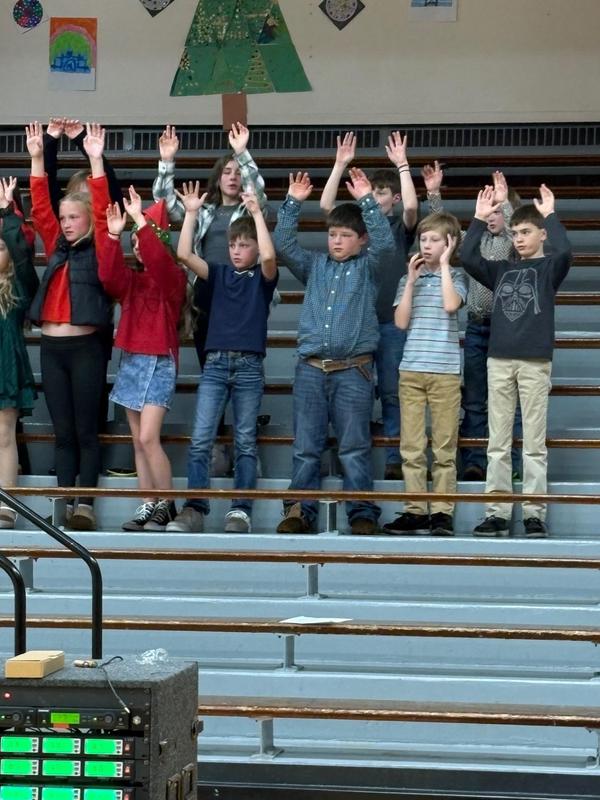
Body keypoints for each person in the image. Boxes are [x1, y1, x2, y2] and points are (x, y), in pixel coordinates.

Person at [274, 169, 396, 536]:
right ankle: (299, 508)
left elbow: (387, 244)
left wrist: (367, 203)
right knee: (306, 445)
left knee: (354, 446)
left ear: (361, 241)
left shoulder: (369, 268)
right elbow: (283, 242)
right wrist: (293, 202)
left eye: (345, 236)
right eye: (332, 235)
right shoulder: (315, 266)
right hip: (311, 368)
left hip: (353, 370)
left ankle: (361, 510)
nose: (337, 242)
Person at [153, 123, 268, 475]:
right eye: (227, 172)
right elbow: (164, 201)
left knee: (242, 378)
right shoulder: (203, 211)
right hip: (208, 292)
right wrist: (167, 161)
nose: (233, 177)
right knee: (212, 370)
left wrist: (242, 153)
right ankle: (217, 445)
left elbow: (259, 194)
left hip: (245, 293)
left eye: (237, 172)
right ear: (217, 179)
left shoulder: (249, 209)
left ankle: (245, 447)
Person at [166, 181, 278, 534]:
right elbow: (184, 254)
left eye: (244, 245)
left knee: (245, 440)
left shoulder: (262, 278)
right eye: (232, 244)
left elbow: (272, 258)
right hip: (215, 364)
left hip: (248, 366)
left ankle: (240, 510)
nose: (236, 250)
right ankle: (195, 508)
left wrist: (257, 214)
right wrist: (193, 213)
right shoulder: (218, 273)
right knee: (201, 439)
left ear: (256, 249)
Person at [461, 184, 571, 538]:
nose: (519, 239)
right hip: (499, 361)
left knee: (534, 444)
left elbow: (566, 250)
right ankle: (497, 511)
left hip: (535, 362)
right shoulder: (502, 270)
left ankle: (534, 513)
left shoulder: (549, 267)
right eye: (515, 233)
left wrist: (550, 214)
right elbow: (468, 258)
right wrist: (478, 220)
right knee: (498, 442)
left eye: (526, 232)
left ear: (541, 234)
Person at [89, 141, 187, 533]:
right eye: (135, 244)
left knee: (149, 437)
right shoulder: (132, 282)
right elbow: (109, 276)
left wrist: (143, 225)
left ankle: (167, 503)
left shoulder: (171, 280)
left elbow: (162, 262)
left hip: (159, 360)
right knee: (136, 439)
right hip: (132, 358)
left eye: (141, 241)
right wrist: (114, 237)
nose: (138, 247)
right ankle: (148, 503)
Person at [26, 121, 112, 531]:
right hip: (52, 348)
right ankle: (63, 505)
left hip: (85, 349)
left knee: (85, 432)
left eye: (74, 217)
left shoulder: (99, 245)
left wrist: (93, 156)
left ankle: (86, 505)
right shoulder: (54, 243)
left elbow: (101, 201)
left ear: (88, 219)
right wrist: (40, 154)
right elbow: (40, 202)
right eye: (63, 218)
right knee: (62, 434)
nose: (65, 223)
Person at [319, 132, 418, 480]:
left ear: (390, 197)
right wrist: (340, 164)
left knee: (391, 392)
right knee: (353, 395)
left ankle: (394, 457)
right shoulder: (358, 228)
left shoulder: (398, 227)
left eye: (379, 193)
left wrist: (402, 165)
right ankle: (350, 458)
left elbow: (411, 209)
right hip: (358, 324)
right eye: (371, 192)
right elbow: (327, 207)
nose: (373, 198)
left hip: (390, 322)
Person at [424, 163, 522, 480]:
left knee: (511, 400)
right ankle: (476, 460)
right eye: (488, 210)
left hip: (507, 327)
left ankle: (514, 463)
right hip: (478, 327)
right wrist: (434, 193)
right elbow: (446, 233)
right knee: (476, 398)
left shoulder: (514, 243)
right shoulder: (474, 241)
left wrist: (505, 203)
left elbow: (512, 229)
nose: (493, 216)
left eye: (498, 210)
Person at [383, 213, 467, 536]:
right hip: (412, 370)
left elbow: (450, 305)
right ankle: (415, 508)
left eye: (435, 240)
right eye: (424, 239)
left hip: (444, 371)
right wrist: (411, 283)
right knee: (412, 447)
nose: (427, 245)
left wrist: (445, 264)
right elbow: (401, 322)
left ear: (449, 244)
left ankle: (443, 512)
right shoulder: (409, 280)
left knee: (444, 448)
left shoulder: (457, 276)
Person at [0, 177, 39, 529]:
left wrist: (7, 213)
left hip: (5, 365)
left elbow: (23, 255)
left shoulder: (18, 288)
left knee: (3, 434)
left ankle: (7, 503)